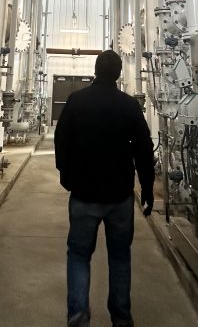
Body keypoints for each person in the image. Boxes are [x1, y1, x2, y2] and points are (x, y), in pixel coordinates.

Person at [54, 49, 155, 327]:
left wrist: (66, 175)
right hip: (119, 196)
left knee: (78, 255)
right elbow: (145, 150)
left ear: (95, 71)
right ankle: (121, 318)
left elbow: (60, 141)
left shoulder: (76, 102)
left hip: (83, 193)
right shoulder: (129, 106)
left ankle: (78, 316)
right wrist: (147, 188)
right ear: (119, 74)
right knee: (120, 256)